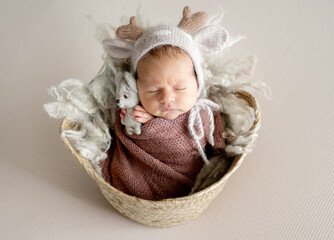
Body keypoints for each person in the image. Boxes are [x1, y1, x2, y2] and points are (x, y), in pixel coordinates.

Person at [102, 6, 227, 200]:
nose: (167, 98)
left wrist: (219, 145)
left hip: (194, 171)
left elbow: (216, 134)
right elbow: (129, 133)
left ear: (197, 83)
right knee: (128, 175)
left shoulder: (204, 108)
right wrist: (147, 124)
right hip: (144, 172)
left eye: (179, 88)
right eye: (153, 90)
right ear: (137, 88)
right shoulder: (138, 111)